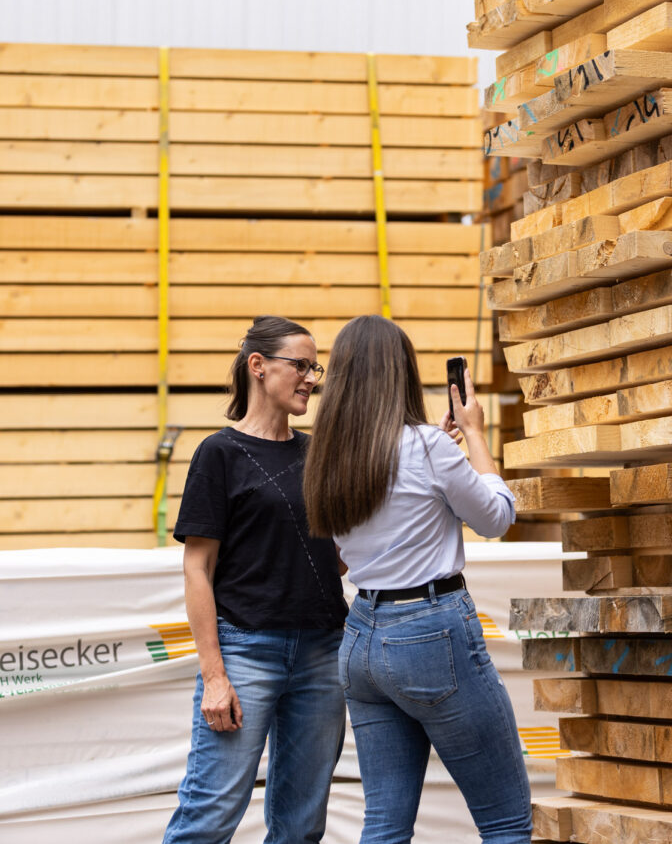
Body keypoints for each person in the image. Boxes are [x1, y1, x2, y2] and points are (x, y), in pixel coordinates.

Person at [303, 315, 532, 844]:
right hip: (430, 633)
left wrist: (439, 450)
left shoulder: (328, 457)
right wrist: (473, 434)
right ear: (401, 373)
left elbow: (351, 540)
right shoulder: (429, 447)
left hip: (361, 637)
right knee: (505, 823)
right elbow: (496, 518)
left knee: (385, 824)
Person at [163, 315, 347, 844]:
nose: (311, 378)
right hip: (245, 652)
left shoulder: (319, 453)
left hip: (323, 653)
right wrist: (214, 676)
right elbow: (197, 569)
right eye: (301, 365)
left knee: (302, 826)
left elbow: (337, 560)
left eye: (316, 369)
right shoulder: (218, 454)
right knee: (209, 817)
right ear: (259, 366)